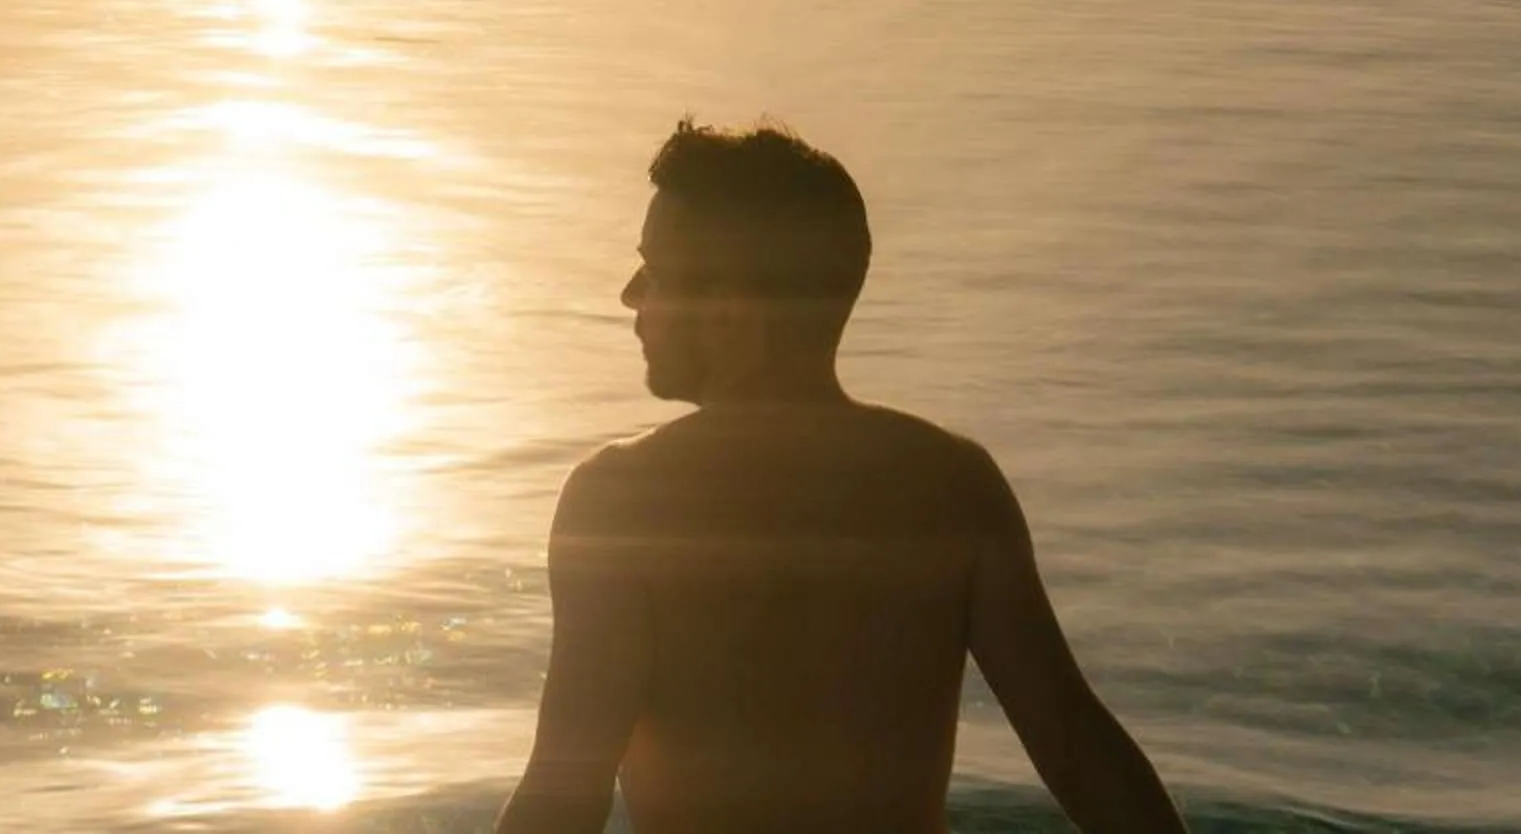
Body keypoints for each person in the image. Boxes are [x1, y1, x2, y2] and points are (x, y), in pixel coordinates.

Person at [496, 120, 1193, 834]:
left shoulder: (623, 503)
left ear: (730, 306)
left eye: (656, 271)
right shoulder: (952, 487)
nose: (630, 294)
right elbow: (1082, 754)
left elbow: (566, 796)